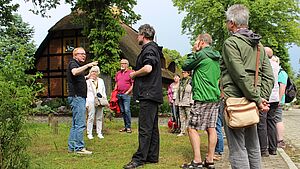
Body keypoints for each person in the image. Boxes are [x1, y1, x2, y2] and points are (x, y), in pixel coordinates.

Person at [221, 4, 274, 169]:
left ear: (232, 23)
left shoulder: (231, 43)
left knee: (237, 147)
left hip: (235, 101)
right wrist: (260, 97)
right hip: (252, 102)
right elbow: (269, 76)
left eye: (227, 22)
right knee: (253, 145)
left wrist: (258, 98)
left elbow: (239, 75)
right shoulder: (258, 45)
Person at [123, 24, 163, 169]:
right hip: (153, 93)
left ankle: (139, 159)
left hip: (148, 93)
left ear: (144, 35)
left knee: (145, 128)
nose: (136, 37)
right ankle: (152, 156)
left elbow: (148, 68)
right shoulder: (154, 49)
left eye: (138, 34)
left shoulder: (149, 49)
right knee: (152, 127)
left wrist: (133, 74)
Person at [181, 33, 221, 169]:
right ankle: (209, 160)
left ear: (202, 42)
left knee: (191, 128)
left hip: (202, 97)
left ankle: (197, 161)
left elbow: (185, 65)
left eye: (196, 41)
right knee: (211, 128)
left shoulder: (201, 54)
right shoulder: (217, 56)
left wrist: (194, 51)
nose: (195, 43)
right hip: (214, 97)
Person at [67, 47, 98, 155]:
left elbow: (77, 78)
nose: (84, 56)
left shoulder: (77, 64)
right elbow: (74, 72)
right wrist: (88, 65)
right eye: (81, 54)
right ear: (75, 55)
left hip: (78, 97)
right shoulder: (73, 63)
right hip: (77, 97)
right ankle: (79, 148)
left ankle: (72, 147)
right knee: (80, 124)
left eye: (85, 54)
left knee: (75, 124)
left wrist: (87, 77)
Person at [257, 47, 280, 156]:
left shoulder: (263, 64)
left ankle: (263, 149)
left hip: (266, 97)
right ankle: (273, 148)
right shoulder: (277, 65)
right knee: (271, 122)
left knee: (262, 123)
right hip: (275, 97)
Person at [86, 66, 107, 140]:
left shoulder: (101, 80)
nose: (94, 73)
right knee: (91, 117)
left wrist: (105, 100)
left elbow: (103, 91)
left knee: (99, 117)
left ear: (98, 73)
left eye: (95, 71)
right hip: (91, 101)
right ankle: (89, 133)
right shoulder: (87, 81)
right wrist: (86, 103)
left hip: (100, 100)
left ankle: (99, 132)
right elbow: (86, 93)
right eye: (92, 71)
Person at [114, 59, 134, 133]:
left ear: (127, 65)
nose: (122, 65)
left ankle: (128, 127)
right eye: (121, 63)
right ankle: (125, 126)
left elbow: (133, 84)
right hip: (119, 94)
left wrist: (128, 92)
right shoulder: (118, 73)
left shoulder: (131, 73)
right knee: (122, 111)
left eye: (124, 63)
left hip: (126, 95)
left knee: (127, 110)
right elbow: (116, 83)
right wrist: (114, 92)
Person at [176, 71, 193, 137]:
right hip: (181, 102)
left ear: (188, 73)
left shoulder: (191, 81)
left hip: (188, 102)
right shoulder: (181, 82)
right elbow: (178, 92)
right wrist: (177, 102)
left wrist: (191, 101)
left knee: (189, 117)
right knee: (182, 118)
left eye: (185, 72)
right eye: (182, 72)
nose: (183, 73)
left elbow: (193, 91)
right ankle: (182, 131)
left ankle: (190, 131)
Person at [276, 63, 288, 148]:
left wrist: (279, 100)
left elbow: (282, 87)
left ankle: (280, 140)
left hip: (278, 101)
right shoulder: (280, 72)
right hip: (277, 100)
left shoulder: (281, 73)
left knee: (278, 120)